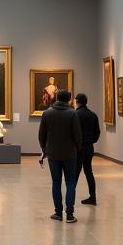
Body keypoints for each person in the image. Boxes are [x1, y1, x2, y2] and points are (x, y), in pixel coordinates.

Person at [38, 88, 82, 223]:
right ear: (69, 99)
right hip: (70, 154)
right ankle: (69, 214)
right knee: (70, 183)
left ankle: (58, 212)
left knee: (56, 183)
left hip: (53, 154)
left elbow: (41, 135)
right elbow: (77, 135)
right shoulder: (72, 113)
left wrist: (45, 149)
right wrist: (76, 148)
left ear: (56, 98)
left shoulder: (47, 113)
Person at [73, 92, 101, 206]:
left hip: (78, 148)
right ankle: (93, 197)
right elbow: (97, 133)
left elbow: (73, 132)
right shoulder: (92, 115)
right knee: (89, 172)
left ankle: (70, 199)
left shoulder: (75, 114)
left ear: (77, 102)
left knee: (75, 174)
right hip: (89, 148)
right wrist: (90, 141)